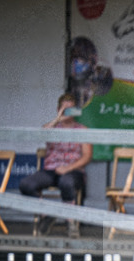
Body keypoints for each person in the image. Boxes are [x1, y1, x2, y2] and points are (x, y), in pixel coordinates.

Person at [19, 92, 92, 238]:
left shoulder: (82, 130)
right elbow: (41, 133)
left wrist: (68, 168)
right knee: (26, 184)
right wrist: (58, 118)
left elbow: (87, 156)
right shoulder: (52, 127)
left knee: (66, 182)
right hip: (52, 170)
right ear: (58, 109)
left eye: (70, 109)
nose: (67, 113)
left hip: (73, 170)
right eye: (64, 109)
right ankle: (46, 215)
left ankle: (70, 221)